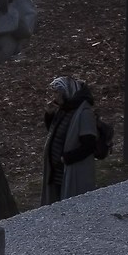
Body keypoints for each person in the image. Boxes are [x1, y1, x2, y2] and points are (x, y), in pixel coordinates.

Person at [42, 76, 106, 204]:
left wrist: (67, 158)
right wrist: (49, 115)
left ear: (66, 92)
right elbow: (57, 134)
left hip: (72, 172)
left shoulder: (84, 113)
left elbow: (88, 145)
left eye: (56, 93)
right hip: (57, 173)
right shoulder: (64, 109)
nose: (53, 96)